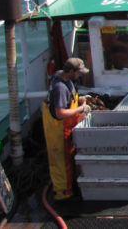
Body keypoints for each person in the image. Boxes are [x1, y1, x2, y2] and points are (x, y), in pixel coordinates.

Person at [42, 57, 91, 200]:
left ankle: (70, 186)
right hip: (58, 130)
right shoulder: (59, 87)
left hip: (67, 128)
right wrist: (81, 108)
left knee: (69, 158)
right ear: (70, 71)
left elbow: (68, 99)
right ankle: (63, 193)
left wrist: (80, 99)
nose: (80, 75)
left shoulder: (64, 78)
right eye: (79, 72)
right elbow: (60, 113)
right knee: (62, 163)